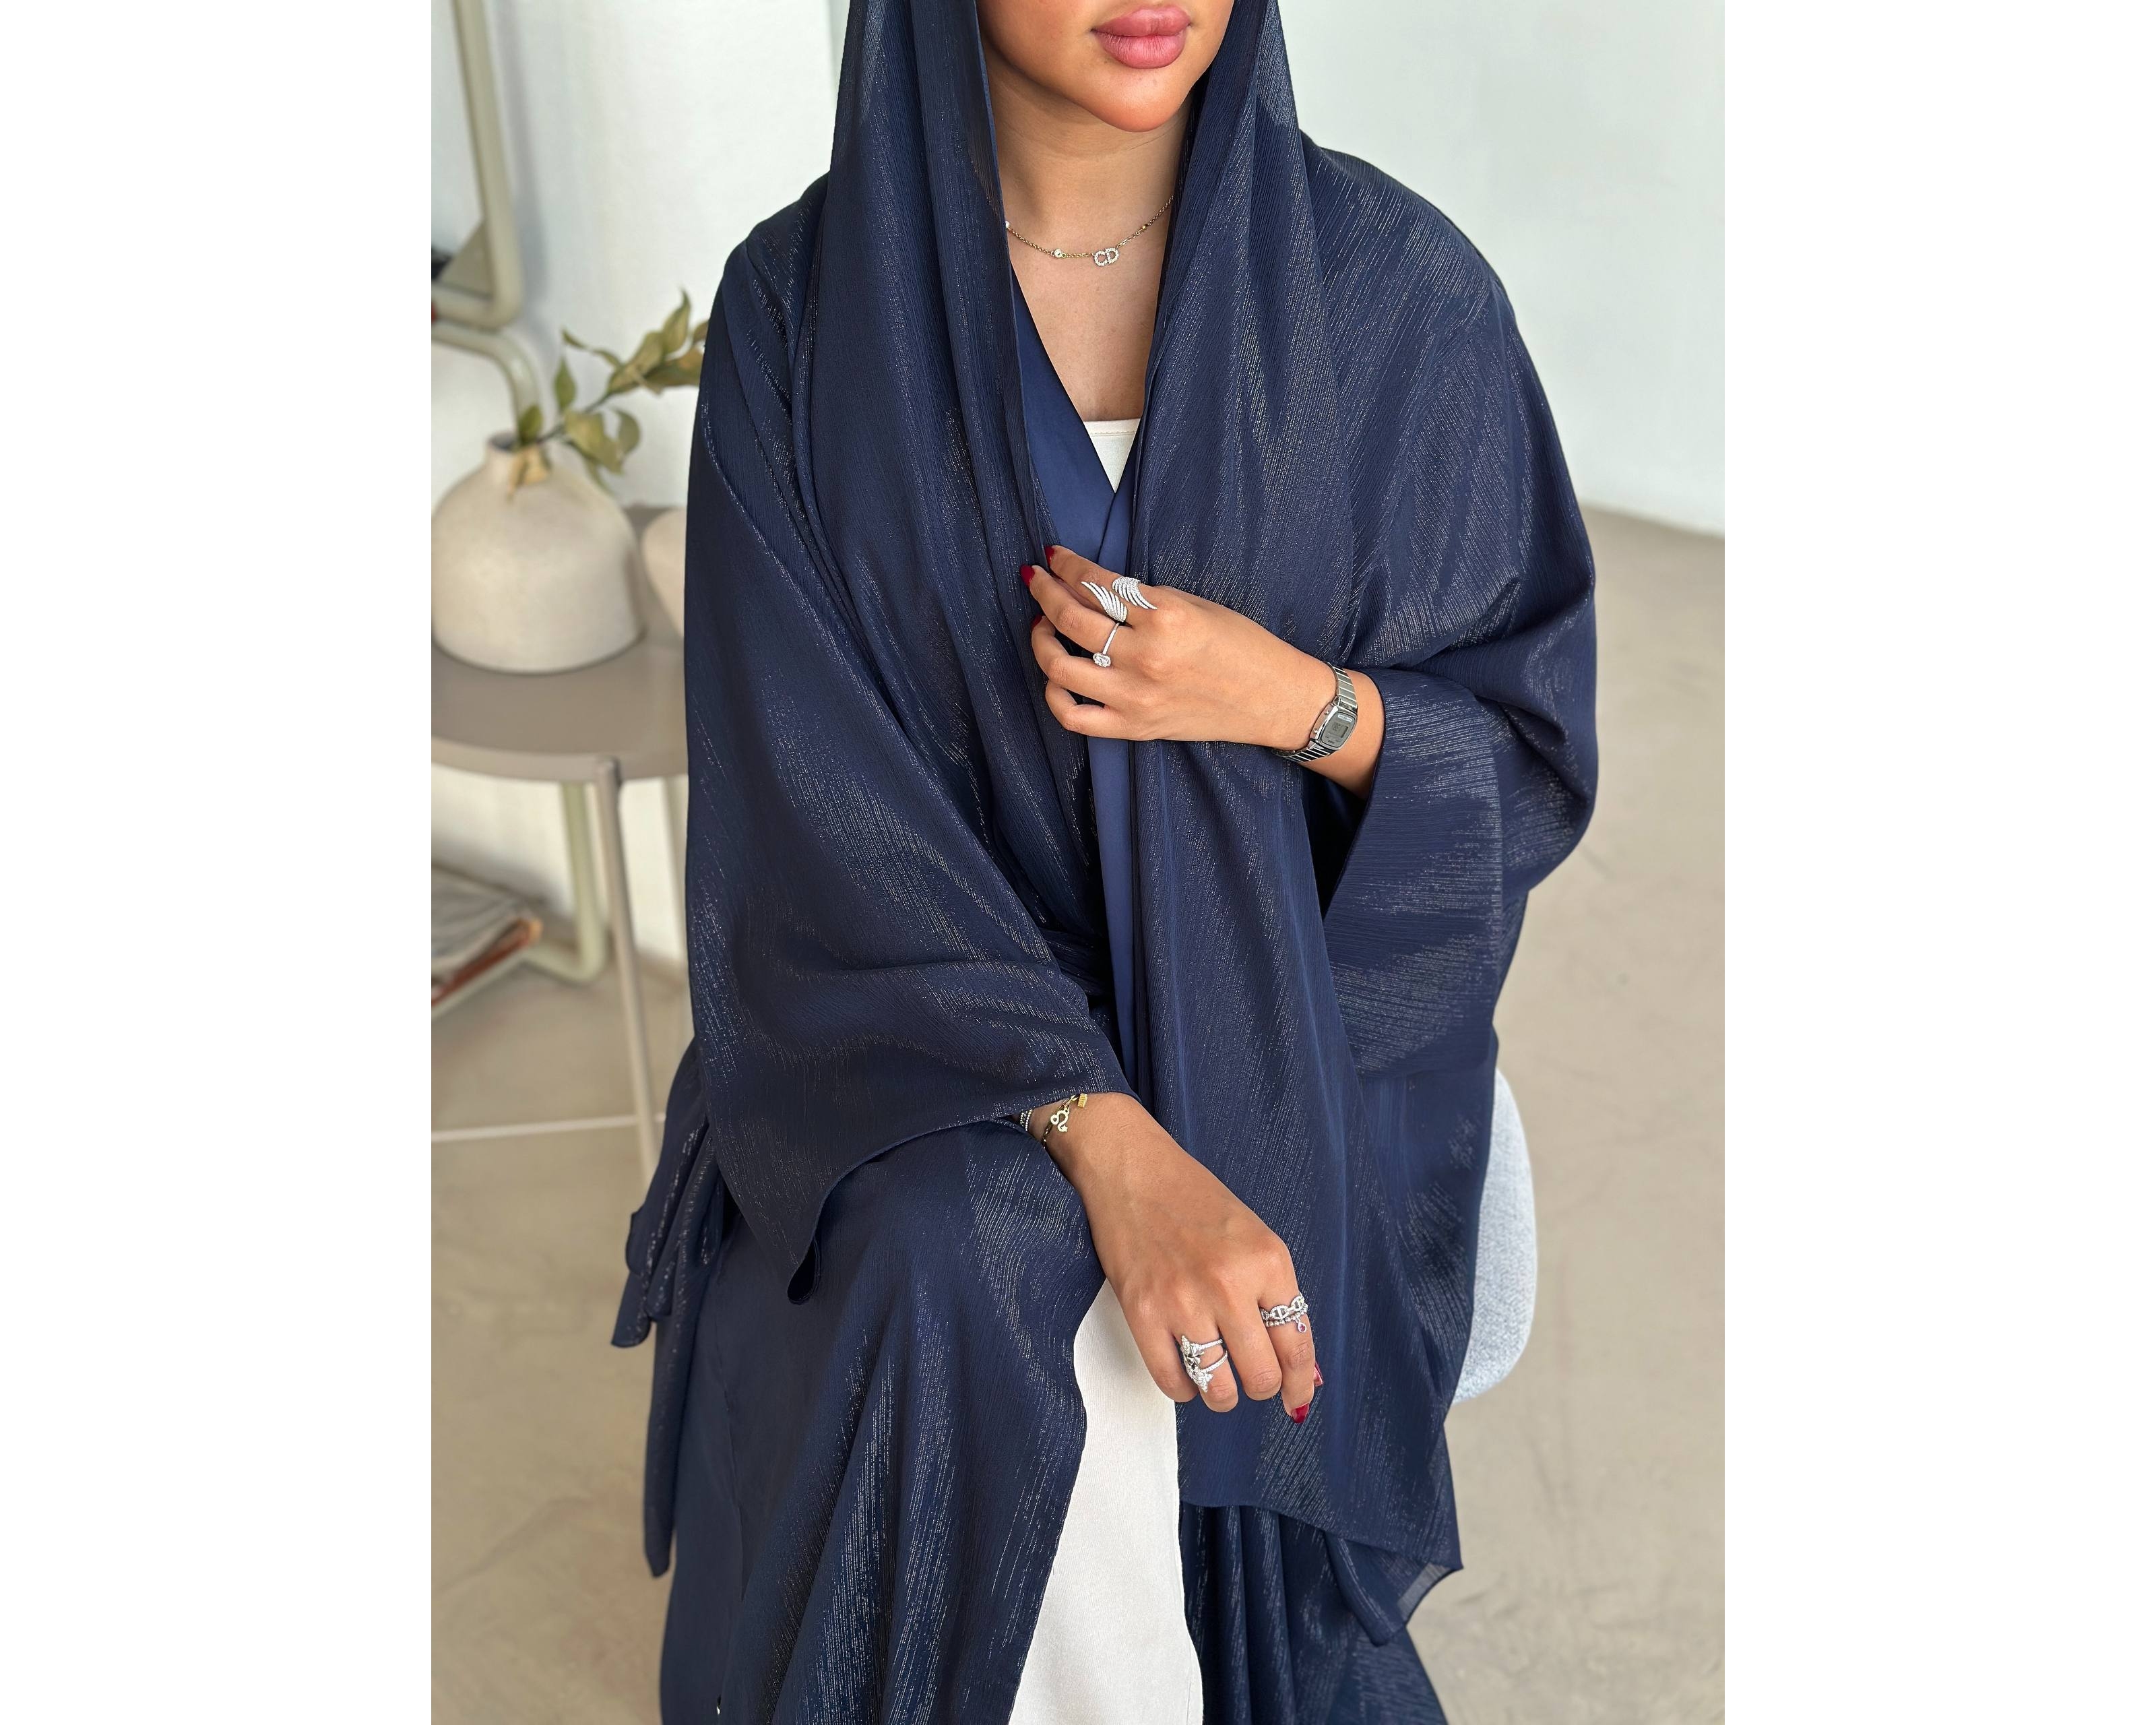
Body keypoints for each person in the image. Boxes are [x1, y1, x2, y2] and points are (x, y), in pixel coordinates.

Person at [612, 1, 1597, 1719]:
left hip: (1288, 1006)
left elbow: (1520, 759)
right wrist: (1100, 1131)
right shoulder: (799, 311)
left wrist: (1282, 698)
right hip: (915, 1019)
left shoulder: (1399, 299)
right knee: (975, 1249)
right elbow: (813, 821)